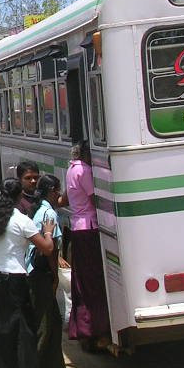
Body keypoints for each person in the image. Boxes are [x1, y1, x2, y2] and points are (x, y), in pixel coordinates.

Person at [0, 178, 57, 368]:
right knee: (24, 331)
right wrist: (48, 231)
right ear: (19, 197)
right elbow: (47, 249)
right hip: (14, 278)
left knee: (0, 329)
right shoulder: (22, 221)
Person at [65, 141, 112, 352]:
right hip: (88, 226)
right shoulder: (84, 170)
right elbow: (95, 199)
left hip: (78, 226)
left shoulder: (72, 169)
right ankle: (96, 329)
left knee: (83, 280)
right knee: (94, 281)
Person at [26, 174, 68, 368]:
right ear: (51, 191)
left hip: (33, 272)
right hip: (40, 274)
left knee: (53, 321)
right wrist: (54, 277)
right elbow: (51, 251)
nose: (59, 194)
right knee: (45, 324)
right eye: (57, 190)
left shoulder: (37, 209)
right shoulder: (49, 213)